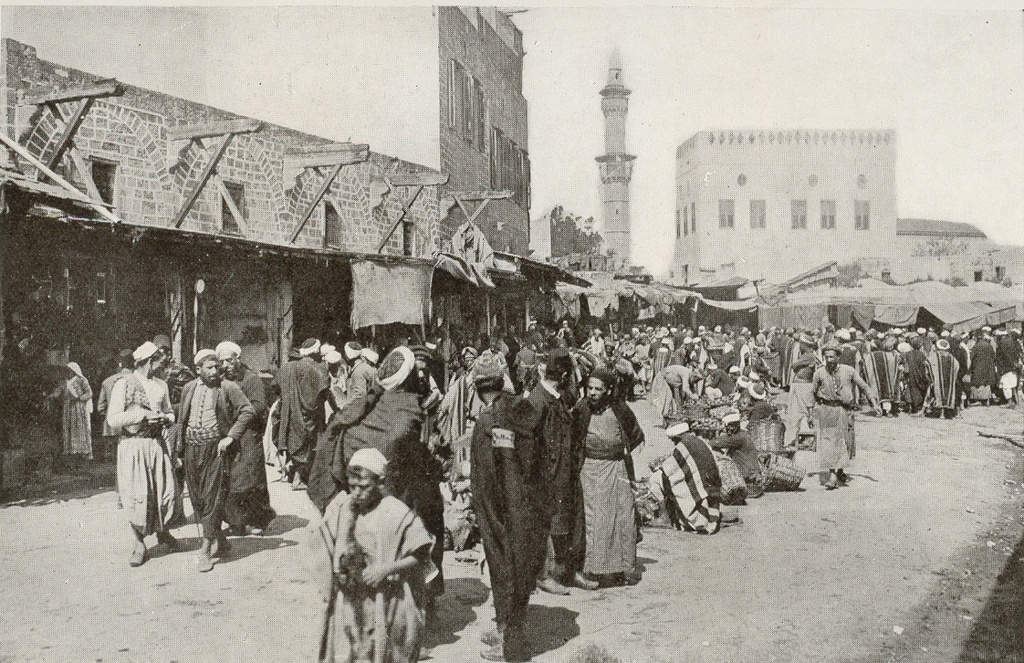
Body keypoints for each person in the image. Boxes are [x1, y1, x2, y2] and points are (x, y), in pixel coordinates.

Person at [311, 447, 437, 663]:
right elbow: (324, 545)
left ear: (381, 483)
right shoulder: (342, 508)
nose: (357, 493)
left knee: (386, 651)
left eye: (364, 487)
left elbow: (422, 554)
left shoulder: (396, 513)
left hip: (388, 602)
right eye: (352, 487)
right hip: (351, 603)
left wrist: (387, 569)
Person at [340, 346, 446, 602]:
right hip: (402, 490)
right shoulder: (406, 408)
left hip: (385, 486)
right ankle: (423, 597)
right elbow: (404, 448)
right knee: (427, 528)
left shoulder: (377, 403)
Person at [470, 353, 548, 662]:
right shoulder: (521, 407)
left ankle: (512, 648)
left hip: (503, 507)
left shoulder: (491, 420)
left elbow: (498, 469)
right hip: (526, 505)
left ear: (478, 387)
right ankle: (506, 631)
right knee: (516, 568)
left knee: (505, 569)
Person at [178, 349, 255, 572]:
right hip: (192, 449)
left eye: (216, 367)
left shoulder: (228, 387)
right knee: (197, 498)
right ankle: (219, 539)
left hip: (215, 450)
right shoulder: (189, 388)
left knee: (212, 496)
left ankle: (205, 549)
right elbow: (182, 418)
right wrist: (178, 449)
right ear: (198, 370)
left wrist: (230, 437)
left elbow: (247, 411)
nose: (214, 371)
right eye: (209, 367)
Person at [527, 348, 596, 594]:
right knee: (548, 525)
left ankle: (570, 571)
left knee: (571, 520)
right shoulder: (538, 400)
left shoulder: (557, 397)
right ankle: (544, 575)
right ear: (565, 374)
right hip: (548, 475)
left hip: (566, 471)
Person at [105, 341, 178, 567]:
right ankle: (138, 544)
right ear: (149, 362)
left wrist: (165, 418)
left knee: (162, 492)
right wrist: (142, 417)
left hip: (155, 444)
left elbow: (170, 412)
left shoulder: (161, 385)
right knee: (137, 495)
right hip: (133, 445)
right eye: (160, 361)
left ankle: (162, 532)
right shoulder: (123, 385)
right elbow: (113, 419)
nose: (163, 365)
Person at [571, 368, 645, 587]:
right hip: (590, 470)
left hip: (616, 468)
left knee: (622, 517)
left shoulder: (620, 408)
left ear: (608, 390)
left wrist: (618, 452)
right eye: (590, 388)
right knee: (595, 520)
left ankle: (623, 568)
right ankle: (593, 570)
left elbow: (634, 434)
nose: (593, 393)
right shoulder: (582, 408)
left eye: (598, 389)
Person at [217, 341, 276, 536]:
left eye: (229, 360)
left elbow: (258, 405)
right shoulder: (221, 380)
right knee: (231, 479)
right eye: (222, 361)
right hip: (229, 433)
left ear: (238, 360)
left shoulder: (251, 380)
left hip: (248, 434)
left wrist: (239, 414)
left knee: (252, 477)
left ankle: (259, 519)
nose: (226, 365)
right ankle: (237, 522)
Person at [812, 345, 880, 490]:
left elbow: (864, 386)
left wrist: (874, 403)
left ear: (838, 357)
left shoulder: (848, 371)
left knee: (845, 441)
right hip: (827, 410)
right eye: (826, 357)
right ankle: (832, 476)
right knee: (830, 442)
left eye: (832, 357)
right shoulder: (819, 373)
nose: (829, 360)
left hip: (844, 411)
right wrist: (811, 413)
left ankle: (840, 469)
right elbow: (813, 394)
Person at [274, 338, 330, 489]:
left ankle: (290, 473)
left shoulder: (288, 367)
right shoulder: (318, 368)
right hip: (307, 415)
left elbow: (276, 387)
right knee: (308, 444)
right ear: (316, 351)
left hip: (289, 412)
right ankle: (298, 479)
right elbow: (322, 393)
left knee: (292, 440)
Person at [647, 423, 722, 534]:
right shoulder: (701, 440)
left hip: (702, 495)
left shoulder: (684, 445)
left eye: (673, 440)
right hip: (712, 493)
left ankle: (665, 517)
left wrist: (658, 468)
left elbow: (669, 470)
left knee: (655, 479)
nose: (674, 443)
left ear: (677, 437)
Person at [711, 412, 763, 499]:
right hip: (751, 473)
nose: (727, 429)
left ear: (733, 426)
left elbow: (714, 443)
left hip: (749, 475)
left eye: (728, 427)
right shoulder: (742, 434)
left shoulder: (738, 437)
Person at [784, 335, 819, 448]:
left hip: (803, 387)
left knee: (801, 414)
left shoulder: (809, 356)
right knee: (796, 413)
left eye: (801, 344)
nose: (800, 346)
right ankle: (795, 437)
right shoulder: (806, 355)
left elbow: (794, 365)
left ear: (806, 345)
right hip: (800, 386)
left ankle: (804, 438)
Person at [97, 350, 134, 456]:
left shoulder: (107, 381)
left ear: (120, 364)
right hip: (132, 428)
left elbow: (100, 407)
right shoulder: (139, 380)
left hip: (112, 427)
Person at [62, 361, 94, 460]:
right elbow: (60, 391)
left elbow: (89, 393)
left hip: (78, 407)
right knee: (69, 427)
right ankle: (71, 451)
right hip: (69, 407)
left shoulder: (81, 380)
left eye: (70, 371)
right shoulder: (65, 382)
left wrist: (80, 398)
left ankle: (81, 451)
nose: (68, 373)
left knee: (79, 427)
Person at [926, 339, 961, 419]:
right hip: (949, 381)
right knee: (949, 394)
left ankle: (941, 414)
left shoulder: (935, 356)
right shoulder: (952, 358)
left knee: (939, 394)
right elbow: (957, 367)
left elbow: (927, 363)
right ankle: (946, 412)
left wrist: (932, 377)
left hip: (939, 380)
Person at [901, 338, 930, 414]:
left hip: (910, 376)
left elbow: (904, 363)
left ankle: (910, 406)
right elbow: (923, 366)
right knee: (919, 390)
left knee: (909, 389)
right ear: (920, 346)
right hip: (919, 376)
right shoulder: (922, 354)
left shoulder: (907, 354)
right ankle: (917, 407)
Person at [970, 329, 998, 405]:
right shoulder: (989, 346)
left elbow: (972, 358)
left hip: (978, 367)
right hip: (988, 367)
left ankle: (978, 400)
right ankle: (987, 399)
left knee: (978, 384)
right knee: (986, 383)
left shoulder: (975, 346)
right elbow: (994, 356)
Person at [995, 329, 1021, 406]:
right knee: (1012, 384)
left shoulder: (1002, 343)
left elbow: (1005, 355)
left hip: (1005, 367)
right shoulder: (1012, 341)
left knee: (1006, 385)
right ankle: (1014, 400)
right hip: (1012, 366)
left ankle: (1009, 402)